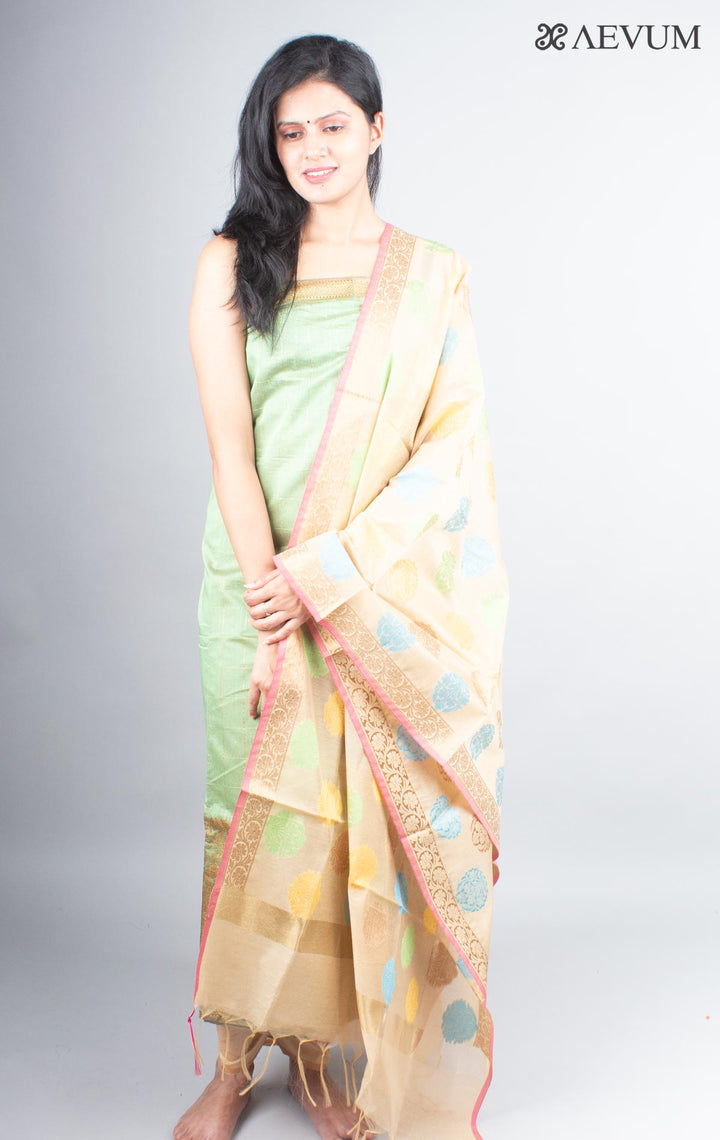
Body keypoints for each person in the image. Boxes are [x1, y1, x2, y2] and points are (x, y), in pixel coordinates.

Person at [175, 32, 509, 1140]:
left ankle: (323, 1066)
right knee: (249, 815)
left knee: (336, 829)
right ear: (270, 146)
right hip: (257, 588)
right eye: (290, 133)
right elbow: (230, 450)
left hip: (369, 592)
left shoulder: (431, 274)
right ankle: (233, 1066)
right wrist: (274, 593)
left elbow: (450, 451)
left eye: (332, 126)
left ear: (376, 129)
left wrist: (334, 571)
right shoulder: (232, 261)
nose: (313, 149)